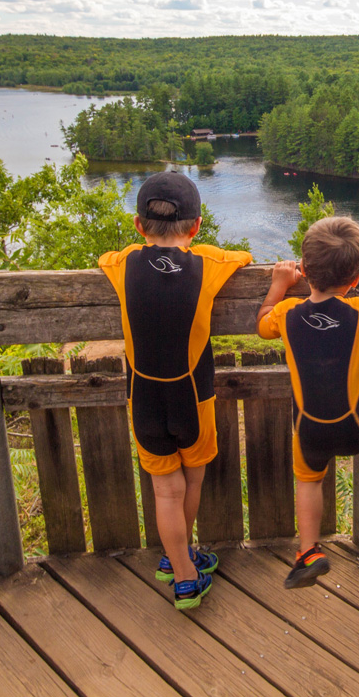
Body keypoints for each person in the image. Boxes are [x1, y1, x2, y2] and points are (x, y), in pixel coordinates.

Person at [99, 171, 252, 609]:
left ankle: (180, 570)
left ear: (138, 225)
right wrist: (197, 250)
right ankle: (182, 566)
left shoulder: (121, 263)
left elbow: (106, 256)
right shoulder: (209, 265)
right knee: (193, 480)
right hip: (194, 398)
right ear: (197, 226)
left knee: (165, 490)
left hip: (143, 398)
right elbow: (243, 256)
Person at [256, 216, 359, 588]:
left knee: (308, 482)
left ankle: (308, 551)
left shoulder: (286, 313)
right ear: (357, 277)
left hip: (309, 431)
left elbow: (263, 322)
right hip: (358, 431)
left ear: (305, 268)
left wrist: (280, 284)